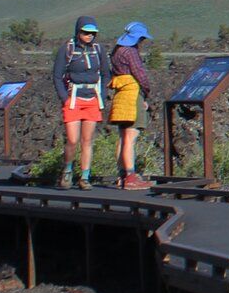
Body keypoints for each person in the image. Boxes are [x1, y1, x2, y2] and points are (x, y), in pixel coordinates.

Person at [47, 17, 109, 187]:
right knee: (73, 140)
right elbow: (57, 76)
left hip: (92, 99)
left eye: (92, 33)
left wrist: (101, 96)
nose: (89, 36)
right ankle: (67, 171)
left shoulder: (98, 50)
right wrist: (64, 98)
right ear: (78, 31)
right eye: (85, 32)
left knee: (87, 141)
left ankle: (85, 177)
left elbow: (105, 74)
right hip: (73, 99)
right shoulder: (67, 49)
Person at [109, 21, 152, 189]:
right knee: (130, 137)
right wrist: (146, 93)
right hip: (132, 96)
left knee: (122, 137)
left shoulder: (116, 51)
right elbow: (140, 74)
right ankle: (131, 177)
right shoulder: (131, 52)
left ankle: (122, 175)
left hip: (120, 95)